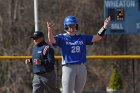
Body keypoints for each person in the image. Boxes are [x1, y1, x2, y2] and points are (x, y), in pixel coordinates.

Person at [47, 16, 110, 93]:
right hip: (68, 67)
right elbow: (51, 40)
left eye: (73, 25)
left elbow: (97, 37)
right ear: (66, 26)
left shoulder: (82, 37)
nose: (72, 27)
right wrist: (49, 30)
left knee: (78, 92)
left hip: (81, 67)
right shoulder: (62, 37)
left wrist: (104, 27)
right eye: (70, 25)